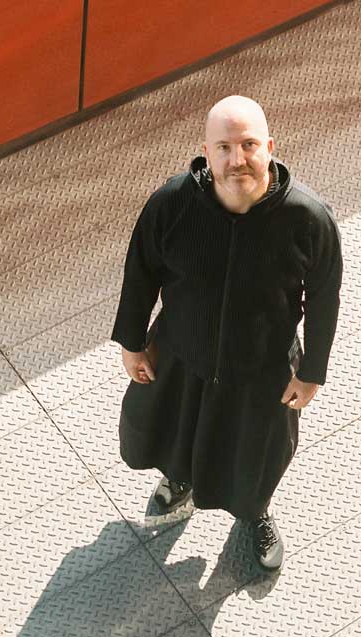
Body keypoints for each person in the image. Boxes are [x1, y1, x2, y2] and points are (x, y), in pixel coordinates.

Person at [112, 95, 342, 572]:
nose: (237, 159)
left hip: (262, 368)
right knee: (174, 431)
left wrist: (312, 372)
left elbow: (323, 300)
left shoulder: (308, 218)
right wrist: (132, 342)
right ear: (206, 151)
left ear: (270, 147)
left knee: (258, 452)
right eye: (224, 147)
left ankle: (254, 511)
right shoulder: (172, 203)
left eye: (249, 145)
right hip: (181, 354)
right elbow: (140, 273)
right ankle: (180, 478)